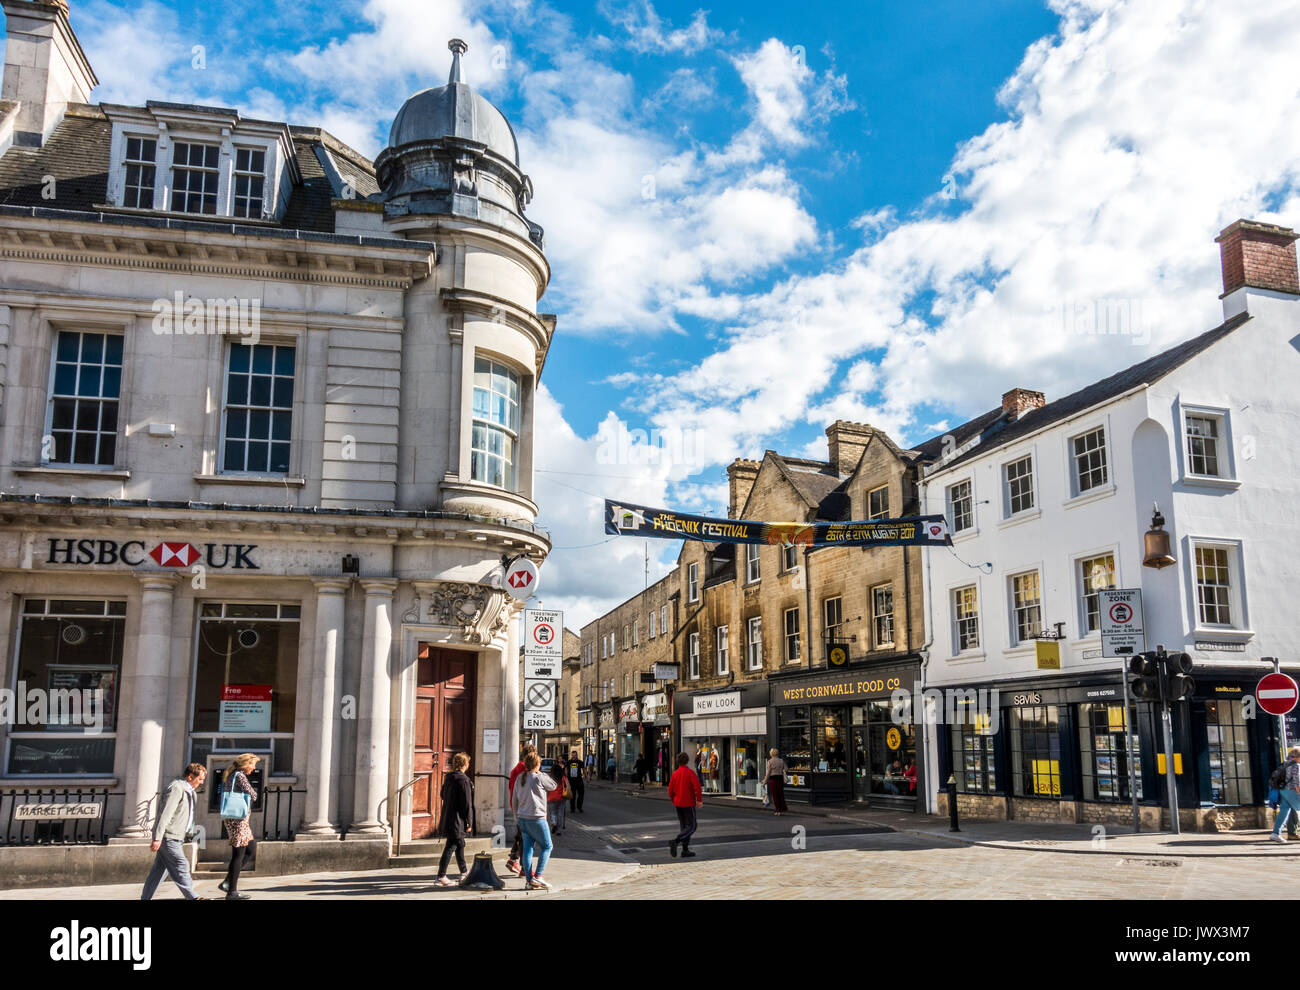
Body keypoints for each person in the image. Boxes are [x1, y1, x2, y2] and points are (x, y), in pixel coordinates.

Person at [141, 763, 206, 901]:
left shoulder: (191, 792)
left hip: (177, 836)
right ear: (190, 777)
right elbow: (165, 813)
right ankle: (193, 897)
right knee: (181, 864)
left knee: (158, 872)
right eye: (199, 779)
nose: (201, 783)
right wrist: (157, 837)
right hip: (168, 836)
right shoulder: (177, 787)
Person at [511, 751, 556, 889]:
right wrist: (542, 774)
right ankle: (538, 876)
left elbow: (514, 799)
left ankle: (529, 881)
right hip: (536, 818)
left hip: (522, 818)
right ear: (537, 764)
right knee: (547, 846)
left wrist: (516, 818)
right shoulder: (539, 777)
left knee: (528, 848)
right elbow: (553, 785)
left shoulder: (520, 778)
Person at [219, 753, 259, 900]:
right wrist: (254, 793)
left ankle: (228, 882)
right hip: (238, 821)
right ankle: (232, 892)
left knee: (250, 849)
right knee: (238, 854)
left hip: (239, 820)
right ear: (246, 764)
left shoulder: (233, 775)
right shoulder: (240, 775)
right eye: (253, 764)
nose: (254, 768)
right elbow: (253, 794)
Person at [433, 752, 475, 886]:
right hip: (458, 820)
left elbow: (442, 794)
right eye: (468, 762)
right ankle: (441, 876)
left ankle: (464, 872)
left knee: (460, 844)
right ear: (465, 764)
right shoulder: (464, 780)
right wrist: (469, 821)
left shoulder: (449, 777)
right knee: (451, 846)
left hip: (448, 816)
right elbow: (467, 803)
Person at [505, 742, 535, 877]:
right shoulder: (525, 770)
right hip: (524, 807)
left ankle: (513, 859)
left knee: (520, 835)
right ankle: (524, 867)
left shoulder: (516, 768)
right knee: (525, 838)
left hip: (516, 805)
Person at [667, 751, 703, 858]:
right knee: (692, 826)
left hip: (678, 803)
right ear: (687, 761)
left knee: (684, 827)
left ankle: (685, 850)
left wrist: (674, 800)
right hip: (688, 803)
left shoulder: (675, 774)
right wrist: (699, 800)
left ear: (678, 762)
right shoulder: (690, 773)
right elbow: (697, 787)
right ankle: (676, 841)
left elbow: (670, 790)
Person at [1272, 746, 1300, 843]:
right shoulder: (1296, 765)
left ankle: (1275, 834)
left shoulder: (1285, 764)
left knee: (1284, 812)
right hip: (1292, 791)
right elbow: (1297, 782)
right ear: (1298, 757)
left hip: (1283, 790)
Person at [547, 757, 567, 834]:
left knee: (553, 812)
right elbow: (566, 786)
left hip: (551, 797)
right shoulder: (563, 777)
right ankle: (558, 829)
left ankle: (554, 822)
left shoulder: (550, 777)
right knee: (560, 813)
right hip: (561, 797)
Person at [765, 748, 788, 816]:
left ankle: (777, 810)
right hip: (780, 779)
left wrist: (765, 781)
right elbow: (786, 769)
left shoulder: (770, 761)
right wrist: (782, 770)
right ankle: (781, 809)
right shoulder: (781, 760)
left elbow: (768, 773)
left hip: (773, 779)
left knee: (775, 795)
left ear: (771, 753)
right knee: (780, 794)